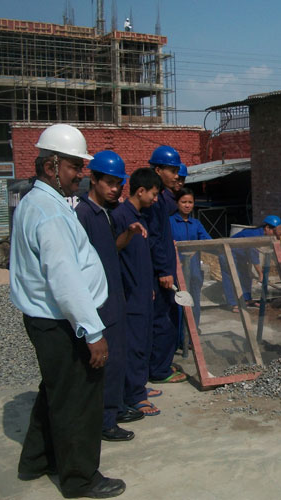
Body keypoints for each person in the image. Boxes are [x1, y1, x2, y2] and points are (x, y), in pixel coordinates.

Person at [10, 124, 125, 498]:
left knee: (56, 392)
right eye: (75, 166)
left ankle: (36, 461)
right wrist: (93, 332)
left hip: (47, 319)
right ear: (51, 167)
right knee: (78, 400)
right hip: (62, 322)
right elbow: (65, 280)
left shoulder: (36, 202)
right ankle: (80, 478)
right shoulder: (51, 213)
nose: (80, 174)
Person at [76, 151, 146, 442]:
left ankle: (115, 408)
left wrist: (129, 233)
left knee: (117, 358)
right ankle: (104, 421)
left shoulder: (106, 212)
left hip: (114, 295)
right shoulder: (83, 215)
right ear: (93, 179)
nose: (115, 189)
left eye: (119, 183)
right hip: (98, 302)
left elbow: (112, 249)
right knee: (105, 361)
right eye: (109, 182)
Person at [111, 168, 164, 416]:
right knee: (133, 344)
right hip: (130, 293)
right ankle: (133, 395)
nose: (155, 199)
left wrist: (149, 286)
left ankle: (139, 386)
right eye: (153, 194)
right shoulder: (121, 217)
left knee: (144, 340)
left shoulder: (141, 216)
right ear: (140, 191)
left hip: (143, 290)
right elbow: (115, 252)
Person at [144, 145, 187, 383]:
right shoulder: (155, 201)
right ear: (158, 170)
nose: (176, 176)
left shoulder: (161, 198)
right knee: (164, 321)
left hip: (164, 269)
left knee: (166, 318)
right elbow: (154, 239)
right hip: (160, 274)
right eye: (172, 171)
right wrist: (163, 270)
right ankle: (159, 370)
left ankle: (160, 364)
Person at [170, 187, 212, 347]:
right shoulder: (170, 222)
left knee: (194, 303)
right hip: (177, 271)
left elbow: (207, 241)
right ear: (177, 203)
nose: (187, 205)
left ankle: (191, 336)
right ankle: (179, 338)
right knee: (179, 305)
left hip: (194, 271)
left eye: (190, 202)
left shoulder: (196, 224)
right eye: (184, 202)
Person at [221, 216, 281, 312]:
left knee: (245, 276)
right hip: (227, 253)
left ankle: (247, 299)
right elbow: (253, 254)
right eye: (274, 231)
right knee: (231, 278)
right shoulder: (254, 235)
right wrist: (260, 274)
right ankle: (232, 304)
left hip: (239, 256)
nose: (275, 234)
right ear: (267, 228)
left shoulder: (260, 234)